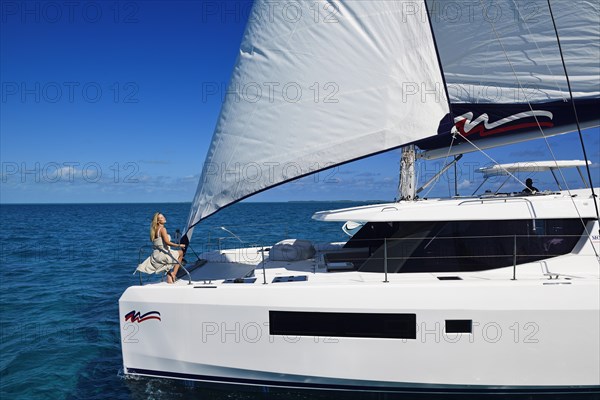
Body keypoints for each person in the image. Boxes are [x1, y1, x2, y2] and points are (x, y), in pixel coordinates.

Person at [149, 212, 186, 283]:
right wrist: (179, 245)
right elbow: (167, 242)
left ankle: (169, 275)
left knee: (172, 253)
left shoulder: (155, 230)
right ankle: (174, 274)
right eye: (162, 218)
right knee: (181, 253)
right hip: (163, 255)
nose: (164, 218)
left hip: (156, 255)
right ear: (158, 221)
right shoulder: (162, 229)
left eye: (163, 217)